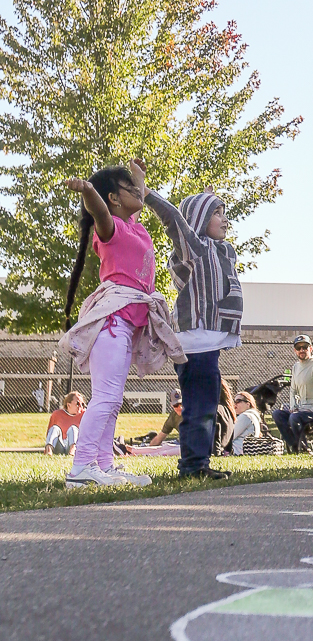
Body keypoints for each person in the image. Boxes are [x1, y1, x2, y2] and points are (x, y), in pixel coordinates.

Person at [58, 162, 182, 488]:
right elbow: (99, 211)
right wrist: (88, 190)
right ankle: (81, 467)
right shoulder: (111, 229)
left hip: (127, 326)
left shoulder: (134, 228)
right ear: (113, 198)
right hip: (112, 323)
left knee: (113, 401)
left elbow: (137, 200)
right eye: (128, 188)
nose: (138, 192)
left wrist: (138, 174)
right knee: (106, 398)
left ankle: (104, 466)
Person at [142, 174, 243, 481]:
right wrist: (147, 193)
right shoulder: (194, 250)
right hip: (197, 342)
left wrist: (207, 200)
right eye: (217, 214)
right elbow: (175, 220)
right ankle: (193, 466)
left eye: (224, 213)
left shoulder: (218, 250)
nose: (224, 220)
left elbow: (198, 220)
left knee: (206, 405)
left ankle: (198, 462)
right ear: (199, 221)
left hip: (207, 344)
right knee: (200, 406)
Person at [273, 335, 313, 453]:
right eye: (298, 348)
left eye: (304, 347)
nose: (301, 350)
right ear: (295, 350)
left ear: (311, 348)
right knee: (277, 414)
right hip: (301, 408)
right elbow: (293, 390)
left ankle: (303, 447)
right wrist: (293, 406)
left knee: (294, 417)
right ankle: (295, 445)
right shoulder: (296, 367)